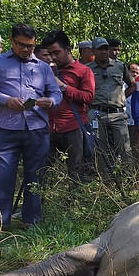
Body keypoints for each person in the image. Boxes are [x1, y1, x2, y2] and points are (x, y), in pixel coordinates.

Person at [0, 23, 62, 239]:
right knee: (1, 176)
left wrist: (49, 101)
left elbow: (56, 93)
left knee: (35, 176)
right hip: (7, 129)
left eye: (31, 46)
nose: (27, 50)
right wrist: (6, 100)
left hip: (37, 129)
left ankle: (31, 221)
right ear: (12, 41)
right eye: (22, 45)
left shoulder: (43, 67)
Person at [44, 30, 95, 180]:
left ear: (68, 50)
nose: (53, 57)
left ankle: (76, 202)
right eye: (50, 53)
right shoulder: (49, 71)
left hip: (74, 128)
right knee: (44, 172)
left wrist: (64, 87)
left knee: (76, 173)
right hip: (50, 128)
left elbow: (89, 97)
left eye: (57, 52)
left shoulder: (84, 71)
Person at [87, 37, 135, 170]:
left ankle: (130, 179)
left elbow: (133, 85)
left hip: (117, 114)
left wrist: (122, 98)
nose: (103, 52)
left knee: (125, 148)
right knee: (100, 149)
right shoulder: (88, 69)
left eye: (105, 49)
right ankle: (105, 181)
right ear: (93, 51)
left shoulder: (119, 66)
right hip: (97, 113)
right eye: (100, 49)